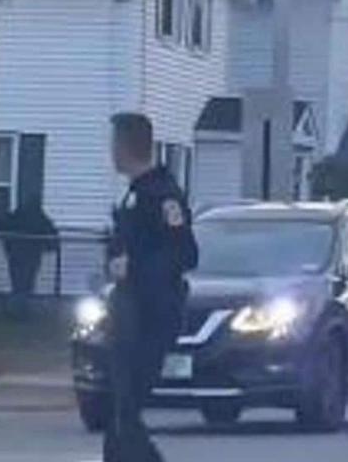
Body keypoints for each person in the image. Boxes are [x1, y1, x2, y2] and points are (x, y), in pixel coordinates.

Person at [103, 112, 198, 462]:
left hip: (152, 318)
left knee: (126, 413)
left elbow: (184, 253)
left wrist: (136, 270)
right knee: (119, 414)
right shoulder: (134, 196)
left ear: (127, 146)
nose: (111, 151)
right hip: (127, 315)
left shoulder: (162, 196)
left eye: (114, 143)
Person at [0, 198, 58, 318]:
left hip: (17, 256)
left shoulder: (17, 216)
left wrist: (9, 249)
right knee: (26, 283)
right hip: (31, 256)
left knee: (17, 283)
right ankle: (19, 310)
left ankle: (17, 310)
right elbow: (52, 235)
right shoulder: (39, 218)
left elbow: (5, 230)